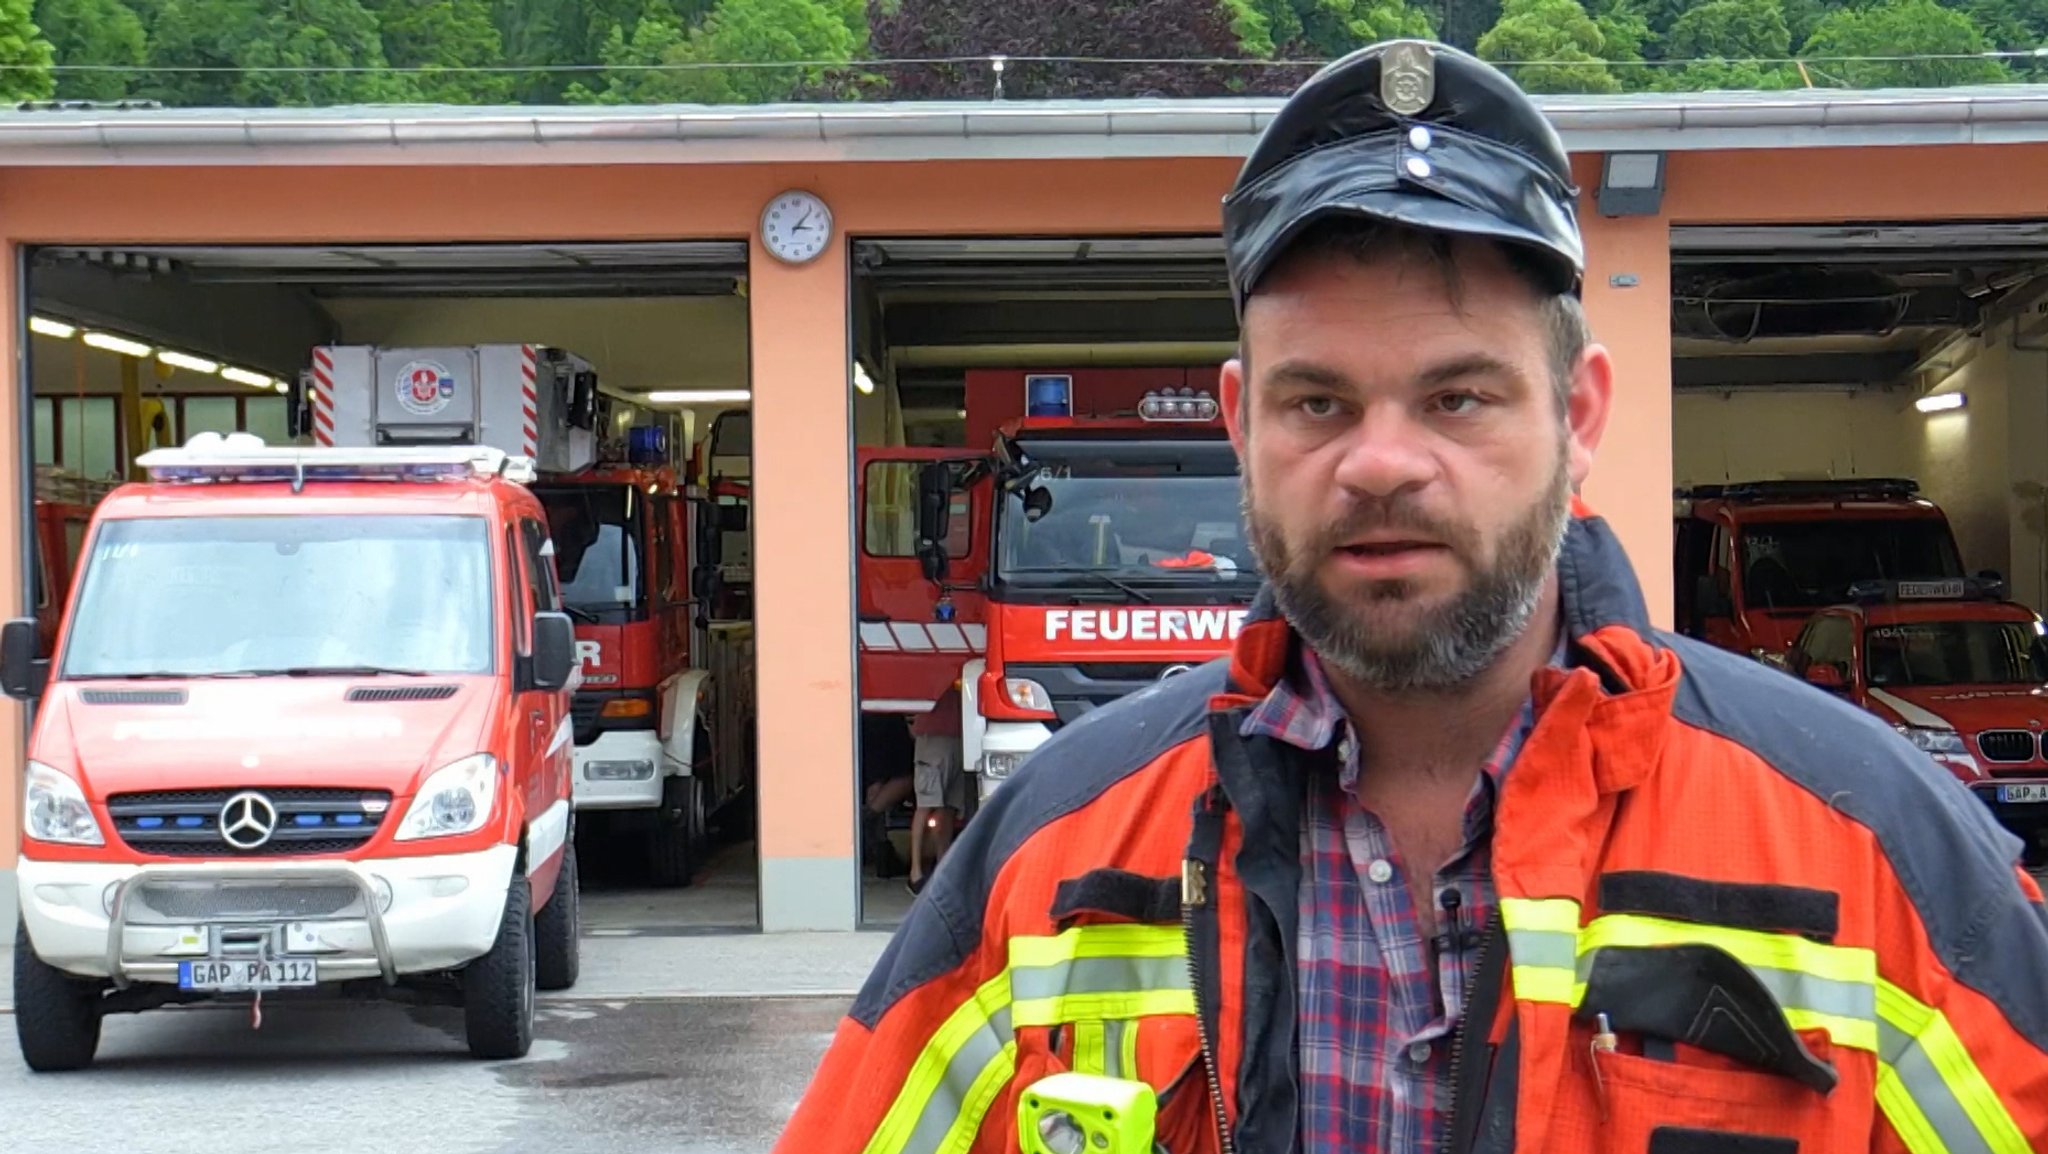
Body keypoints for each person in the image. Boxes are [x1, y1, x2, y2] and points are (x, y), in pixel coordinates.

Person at [774, 40, 2048, 1154]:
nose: (1379, 461)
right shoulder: (1043, 859)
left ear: (1578, 416)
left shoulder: (1880, 853)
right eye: (1317, 400)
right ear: (1240, 422)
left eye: (1456, 396)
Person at [906, 680, 967, 894]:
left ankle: (942, 868)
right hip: (933, 737)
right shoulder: (929, 666)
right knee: (926, 804)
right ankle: (915, 873)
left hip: (960, 736)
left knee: (948, 807)